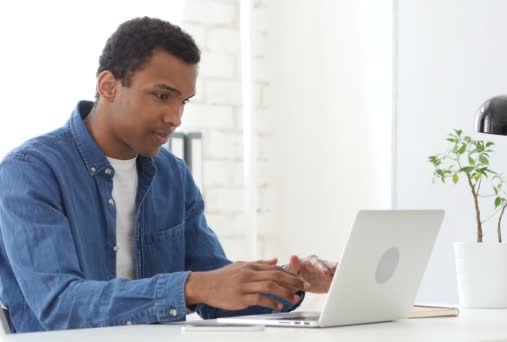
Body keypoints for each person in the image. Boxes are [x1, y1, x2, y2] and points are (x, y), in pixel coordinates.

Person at [0, 17, 336, 333]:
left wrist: (288, 281)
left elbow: (214, 291)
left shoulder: (172, 175)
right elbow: (59, 305)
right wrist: (192, 286)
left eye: (184, 102)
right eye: (162, 96)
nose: (176, 118)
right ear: (108, 86)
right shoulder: (30, 172)